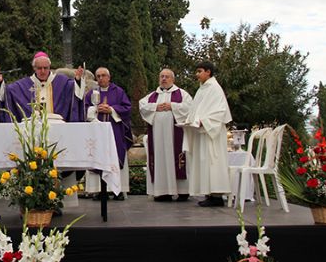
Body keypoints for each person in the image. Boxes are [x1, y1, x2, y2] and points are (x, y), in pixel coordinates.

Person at [183, 61, 232, 207]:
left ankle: (216, 195)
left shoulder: (215, 89)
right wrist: (190, 120)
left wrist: (202, 121)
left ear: (208, 72)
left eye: (199, 71)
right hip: (202, 132)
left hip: (212, 133)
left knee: (212, 162)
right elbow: (195, 110)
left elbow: (220, 111)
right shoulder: (202, 89)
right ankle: (209, 194)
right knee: (204, 162)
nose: (197, 75)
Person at [139, 69, 193, 202]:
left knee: (177, 158)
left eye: (167, 77)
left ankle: (182, 191)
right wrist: (156, 107)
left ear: (172, 79)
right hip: (157, 137)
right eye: (161, 76)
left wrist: (172, 106)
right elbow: (142, 106)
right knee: (160, 159)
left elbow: (190, 107)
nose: (164, 79)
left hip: (175, 135)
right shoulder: (153, 96)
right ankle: (162, 192)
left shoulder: (182, 94)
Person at [0, 51, 86, 123]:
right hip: (32, 128)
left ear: (49, 67)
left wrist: (77, 80)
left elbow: (76, 91)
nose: (42, 71)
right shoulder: (24, 84)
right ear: (34, 68)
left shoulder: (62, 82)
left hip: (57, 126)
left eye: (45, 68)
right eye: (39, 68)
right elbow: (7, 92)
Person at [84, 67, 132, 200]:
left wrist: (111, 109)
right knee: (97, 157)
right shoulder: (91, 93)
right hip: (97, 133)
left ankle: (118, 190)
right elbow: (85, 108)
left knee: (115, 157)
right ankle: (99, 191)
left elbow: (127, 108)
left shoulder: (118, 92)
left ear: (109, 77)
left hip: (114, 131)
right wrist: (95, 110)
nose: (100, 78)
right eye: (98, 76)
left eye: (103, 75)